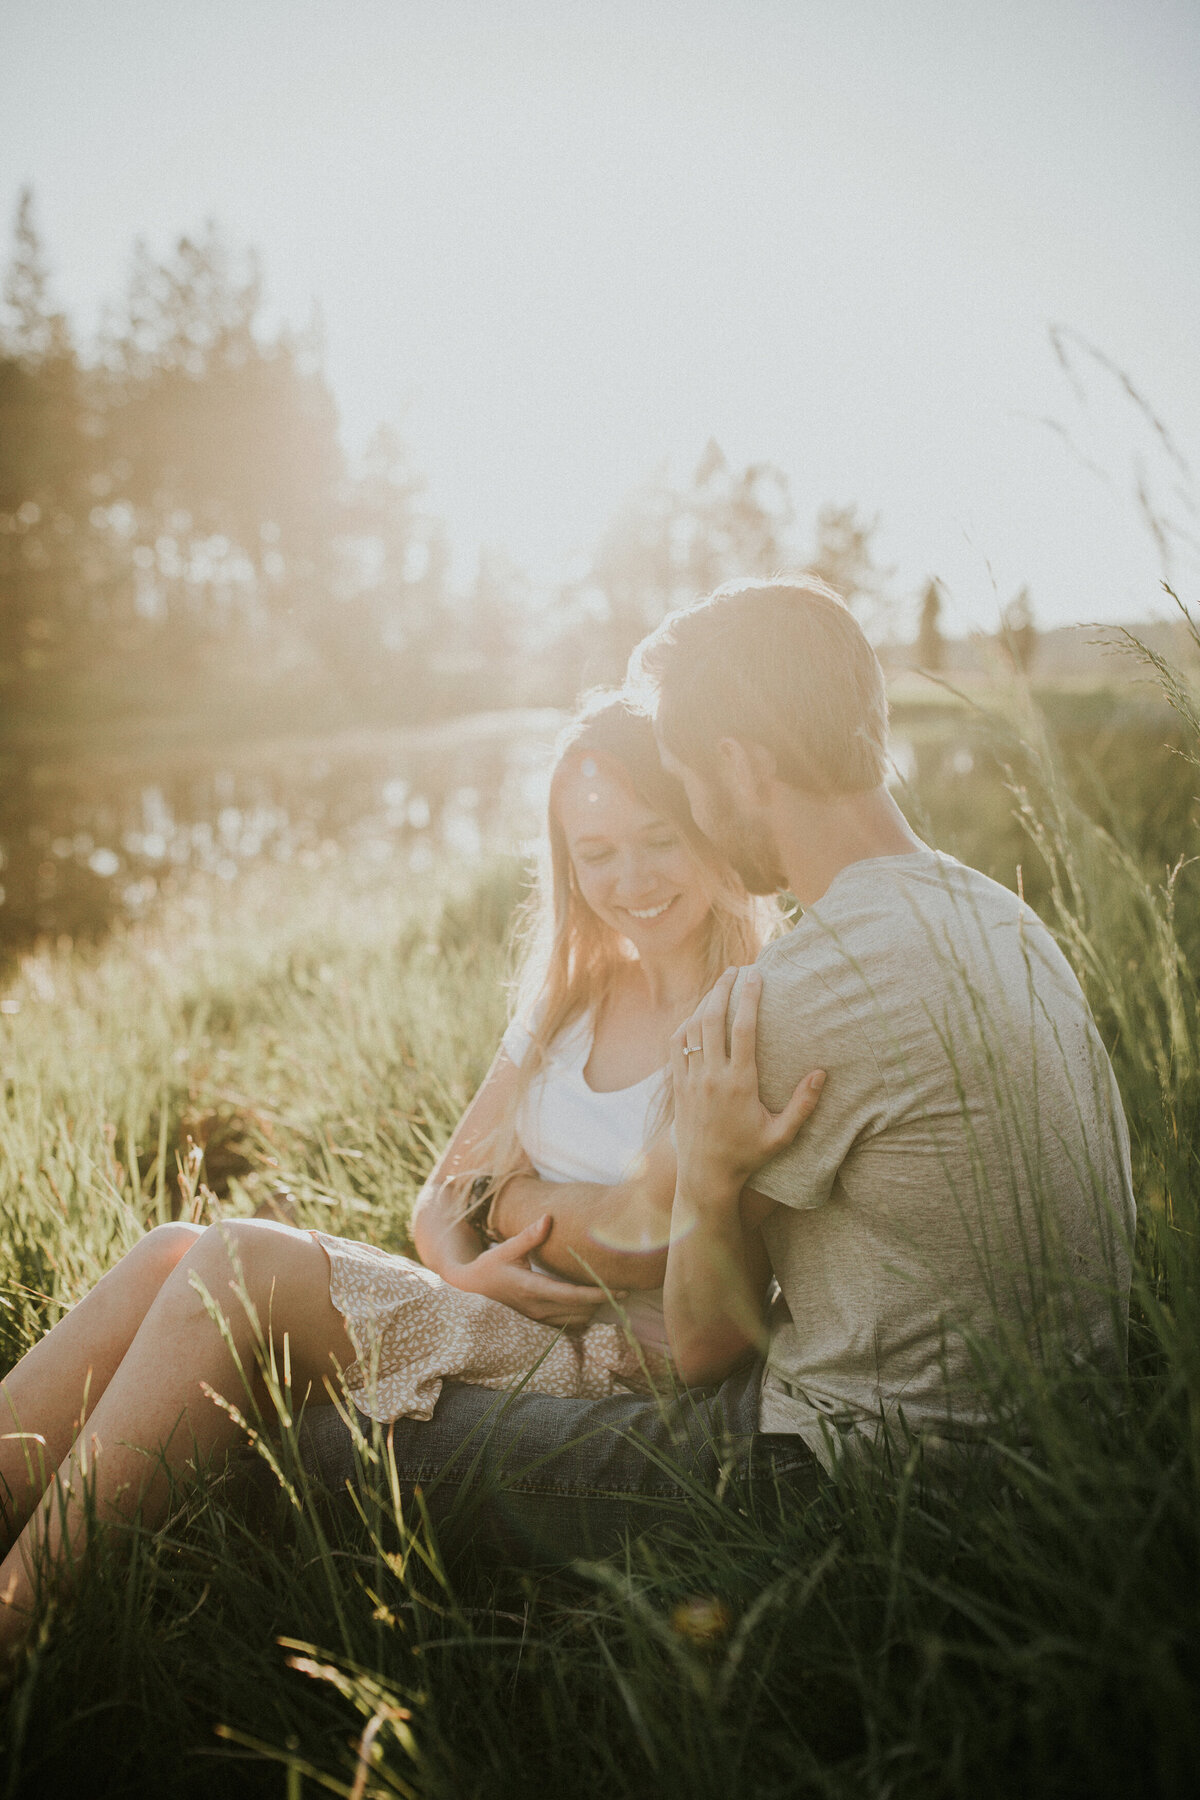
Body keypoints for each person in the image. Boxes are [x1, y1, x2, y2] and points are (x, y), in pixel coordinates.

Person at [0, 695, 821, 1649]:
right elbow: (441, 1194)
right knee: (168, 1252)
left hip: (606, 1369)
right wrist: (466, 1258)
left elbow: (643, 1238)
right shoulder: (576, 993)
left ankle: (14, 1626)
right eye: (596, 854)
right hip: (500, 1310)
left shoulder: (744, 1007)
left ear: (710, 829)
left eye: (658, 839)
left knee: (236, 1260)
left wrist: (505, 1199)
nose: (629, 878)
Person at [304, 576, 1136, 1513]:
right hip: (1071, 1431)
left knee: (327, 1433)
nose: (694, 808)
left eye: (684, 776)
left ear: (740, 767)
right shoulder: (1000, 910)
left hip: (855, 1469)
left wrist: (684, 1180)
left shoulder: (792, 995)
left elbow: (702, 1350)